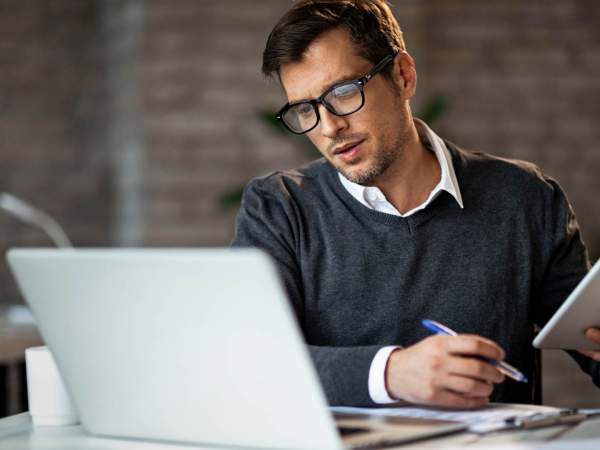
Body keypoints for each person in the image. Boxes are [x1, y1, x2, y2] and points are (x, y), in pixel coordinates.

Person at [231, 0, 600, 408]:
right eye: (306, 109)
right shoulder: (279, 208)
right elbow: (249, 361)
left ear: (403, 76)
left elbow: (591, 343)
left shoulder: (525, 198)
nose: (331, 126)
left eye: (343, 92)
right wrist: (391, 374)